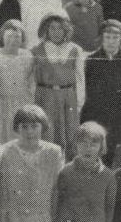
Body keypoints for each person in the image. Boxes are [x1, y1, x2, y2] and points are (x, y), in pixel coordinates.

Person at [82, 18, 121, 165]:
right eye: (107, 37)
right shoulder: (92, 59)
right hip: (96, 110)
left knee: (114, 147)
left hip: (119, 111)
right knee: (97, 143)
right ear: (101, 39)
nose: (111, 41)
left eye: (115, 38)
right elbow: (88, 86)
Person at [32, 13, 85, 160]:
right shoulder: (37, 49)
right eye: (52, 28)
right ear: (46, 30)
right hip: (45, 96)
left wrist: (79, 102)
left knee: (70, 133)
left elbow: (80, 78)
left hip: (68, 96)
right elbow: (31, 78)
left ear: (66, 30)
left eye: (60, 28)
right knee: (48, 132)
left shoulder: (74, 49)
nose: (56, 32)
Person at [0, 18, 35, 144]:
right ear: (2, 37)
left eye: (17, 37)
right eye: (9, 36)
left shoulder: (27, 56)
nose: (13, 40)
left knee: (20, 137)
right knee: (1, 137)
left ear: (22, 39)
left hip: (21, 102)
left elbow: (31, 81)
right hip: (1, 103)